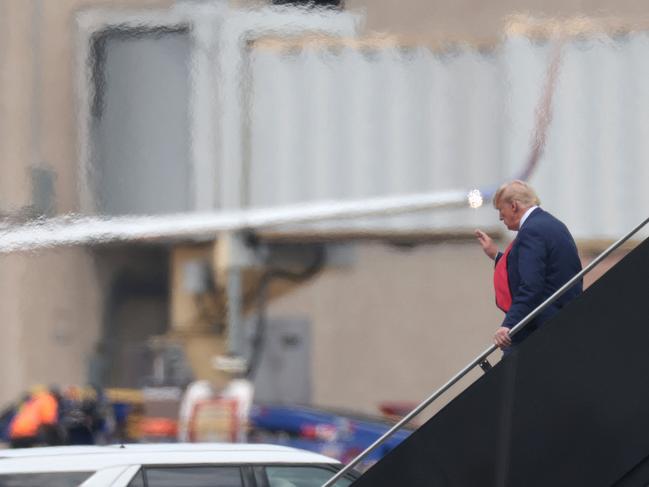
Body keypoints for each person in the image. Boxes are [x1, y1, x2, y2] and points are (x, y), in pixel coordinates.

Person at [475, 180, 582, 351]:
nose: (500, 217)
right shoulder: (552, 224)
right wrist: (495, 254)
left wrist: (509, 324)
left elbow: (531, 284)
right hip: (563, 321)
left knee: (510, 374)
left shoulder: (530, 231)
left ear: (514, 206)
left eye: (501, 209)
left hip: (539, 330)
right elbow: (545, 271)